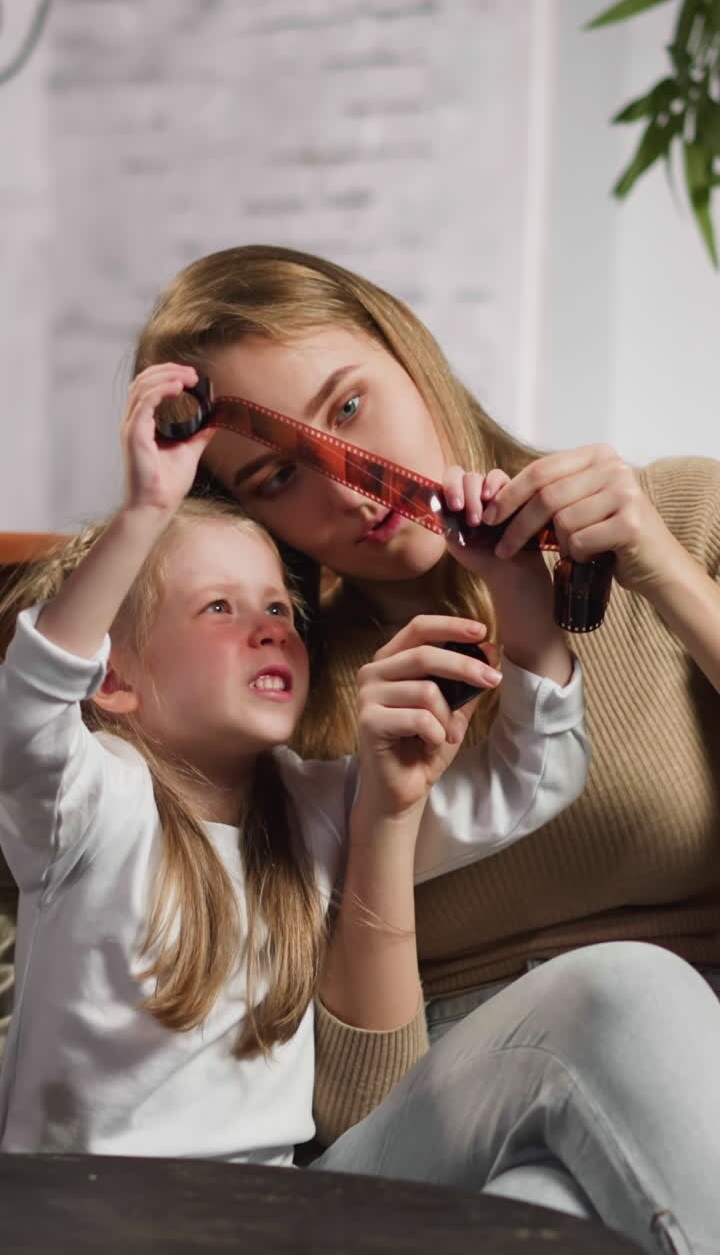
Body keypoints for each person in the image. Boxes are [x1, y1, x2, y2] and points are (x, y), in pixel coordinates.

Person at [127, 244, 720, 1219]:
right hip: (449, 1108)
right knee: (620, 993)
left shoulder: (680, 516)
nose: (352, 493)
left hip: (670, 1092)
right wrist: (384, 819)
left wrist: (662, 570)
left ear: (406, 344)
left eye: (350, 409)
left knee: (550, 1203)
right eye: (280, 476)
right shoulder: (284, 697)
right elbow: (354, 1113)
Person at [0, 361, 591, 1165]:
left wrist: (516, 588)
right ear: (113, 678)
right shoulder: (88, 803)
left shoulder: (319, 805)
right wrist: (146, 512)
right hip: (85, 1212)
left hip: (274, 1212)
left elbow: (529, 781)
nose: (270, 627)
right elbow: (27, 703)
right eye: (219, 607)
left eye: (279, 606)